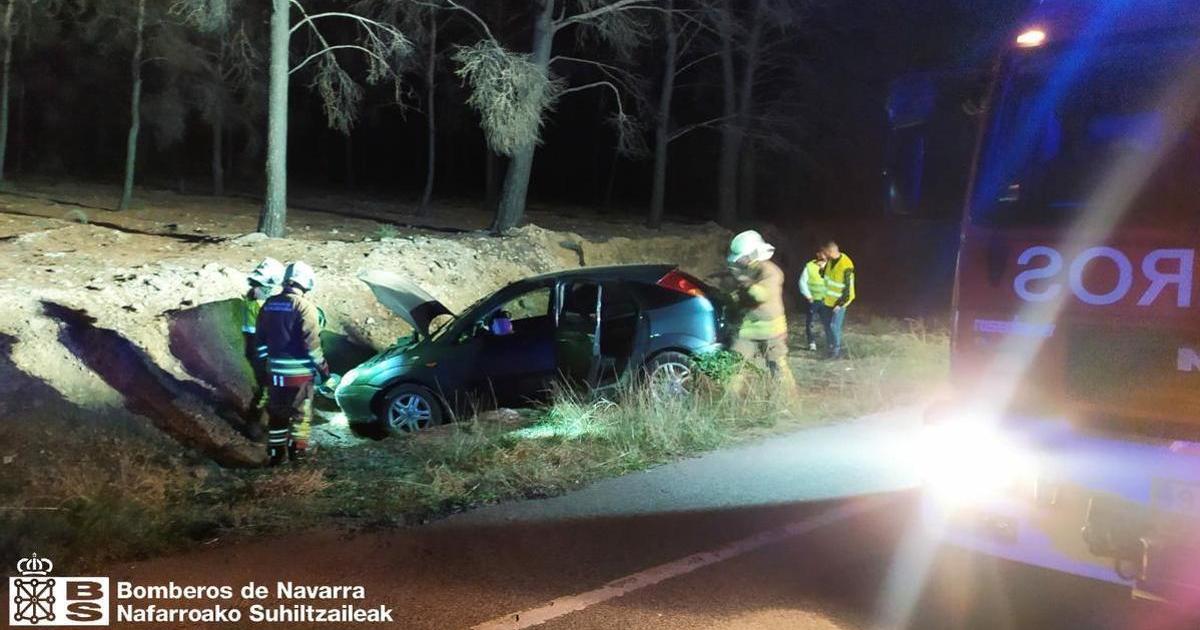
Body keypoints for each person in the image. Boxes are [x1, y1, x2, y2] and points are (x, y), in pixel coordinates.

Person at [255, 261, 329, 465]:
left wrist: (264, 366)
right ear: (306, 283)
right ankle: (297, 454)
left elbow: (259, 340)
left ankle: (276, 455)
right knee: (300, 414)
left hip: (274, 373)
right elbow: (312, 345)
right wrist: (323, 369)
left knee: (277, 414)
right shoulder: (304, 307)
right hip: (299, 375)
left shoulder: (269, 304)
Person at [726, 230, 795, 388]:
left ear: (753, 254)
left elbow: (760, 295)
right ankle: (730, 399)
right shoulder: (747, 270)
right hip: (748, 329)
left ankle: (788, 399)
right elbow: (739, 297)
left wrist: (744, 281)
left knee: (777, 366)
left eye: (743, 257)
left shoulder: (771, 272)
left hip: (772, 331)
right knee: (736, 364)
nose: (740, 261)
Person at [241, 258, 285, 441]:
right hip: (260, 350)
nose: (260, 289)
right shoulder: (259, 305)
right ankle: (254, 426)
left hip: (257, 348)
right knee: (266, 388)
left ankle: (260, 421)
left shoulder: (255, 299)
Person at [817, 240, 855, 359]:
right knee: (827, 326)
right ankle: (830, 348)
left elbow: (848, 288)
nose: (823, 255)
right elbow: (825, 276)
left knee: (834, 326)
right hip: (828, 301)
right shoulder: (830, 261)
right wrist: (821, 269)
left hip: (840, 302)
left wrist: (840, 304)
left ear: (830, 251)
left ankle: (836, 352)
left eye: (825, 252)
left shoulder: (846, 265)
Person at [797, 250, 828, 352]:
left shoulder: (831, 266)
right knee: (811, 323)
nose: (824, 255)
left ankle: (829, 342)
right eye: (822, 253)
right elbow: (802, 282)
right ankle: (812, 343)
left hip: (827, 300)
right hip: (813, 300)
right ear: (818, 254)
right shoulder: (810, 266)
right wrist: (808, 296)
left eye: (826, 253)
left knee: (828, 322)